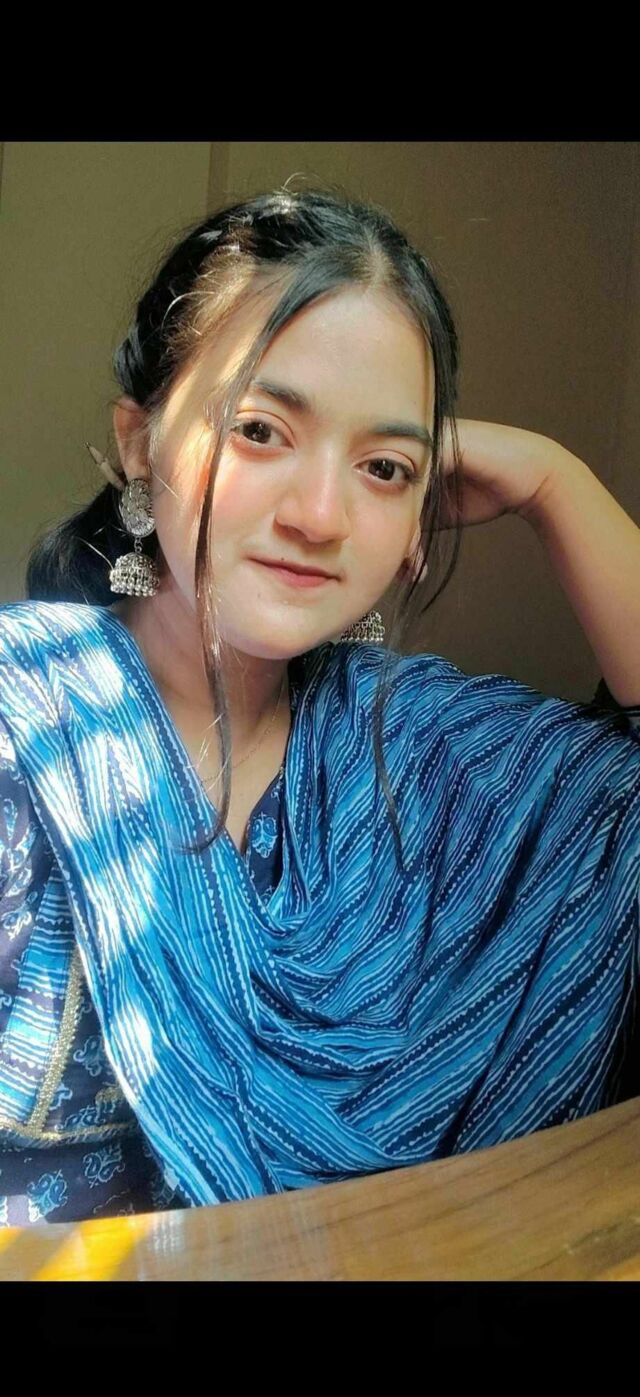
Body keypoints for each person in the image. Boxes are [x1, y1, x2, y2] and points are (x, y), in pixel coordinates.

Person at [0, 188, 638, 1228]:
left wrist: (551, 482)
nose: (321, 514)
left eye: (385, 468)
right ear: (139, 444)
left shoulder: (446, 761)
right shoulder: (29, 729)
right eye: (261, 430)